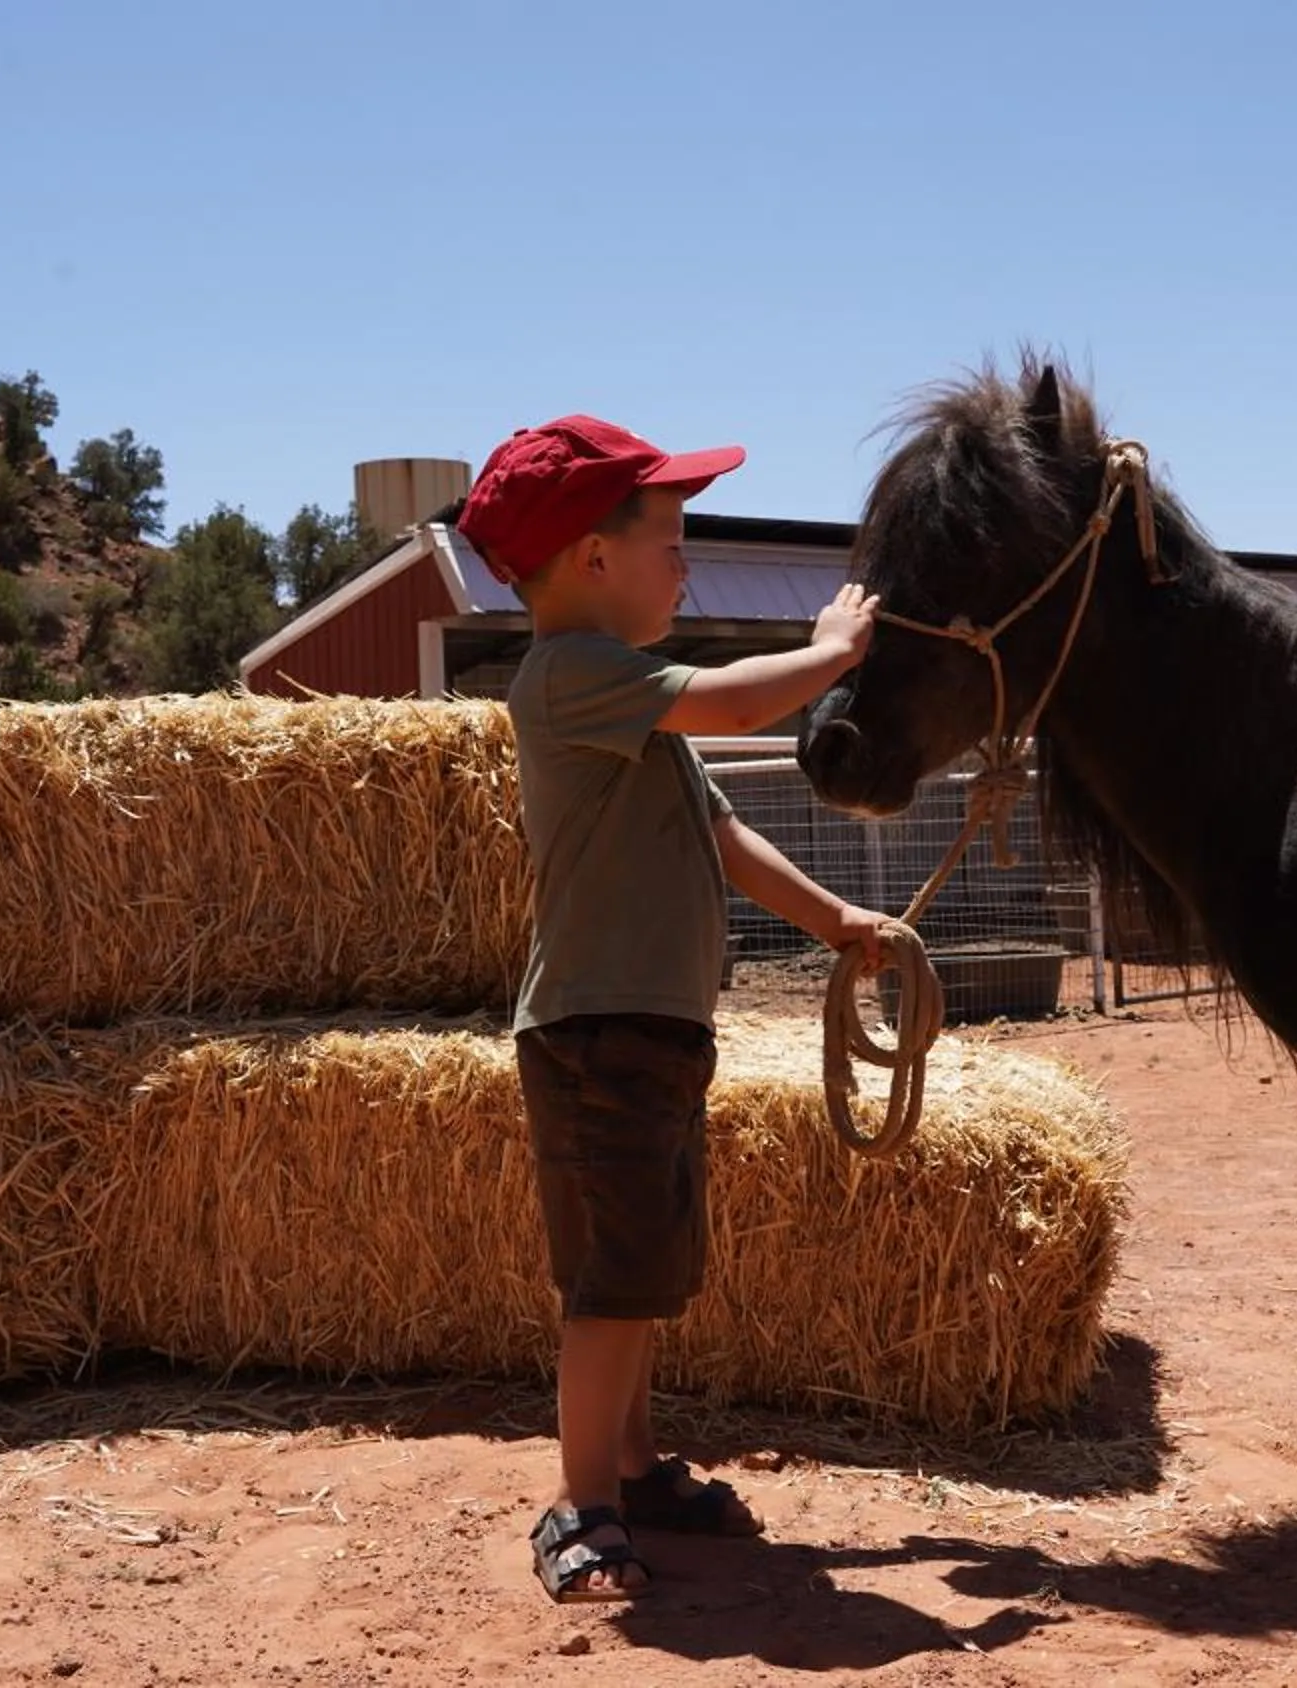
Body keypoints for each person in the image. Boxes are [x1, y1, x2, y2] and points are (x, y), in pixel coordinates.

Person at [457, 414, 892, 1602]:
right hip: (596, 1031)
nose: (685, 561)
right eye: (671, 537)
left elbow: (725, 833)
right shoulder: (571, 678)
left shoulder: (631, 705)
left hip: (646, 1027)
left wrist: (839, 922)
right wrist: (834, 650)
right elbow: (746, 706)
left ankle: (636, 1470)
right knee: (611, 1280)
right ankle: (581, 1502)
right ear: (594, 559)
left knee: (647, 1267)